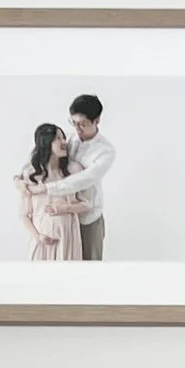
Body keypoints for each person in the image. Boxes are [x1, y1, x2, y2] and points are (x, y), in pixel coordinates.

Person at [17, 123, 81, 261]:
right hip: (42, 240)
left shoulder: (73, 171)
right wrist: (38, 236)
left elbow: (86, 204)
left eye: (64, 138)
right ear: (46, 143)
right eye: (58, 138)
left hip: (68, 238)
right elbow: (24, 214)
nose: (64, 142)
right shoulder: (31, 175)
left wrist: (65, 208)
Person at [62, 95, 114, 262]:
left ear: (96, 120)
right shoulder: (67, 139)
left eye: (82, 124)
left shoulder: (105, 151)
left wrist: (50, 188)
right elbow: (43, 156)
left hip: (88, 218)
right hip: (65, 216)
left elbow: (84, 179)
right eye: (73, 123)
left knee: (90, 266)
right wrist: (20, 178)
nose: (77, 128)